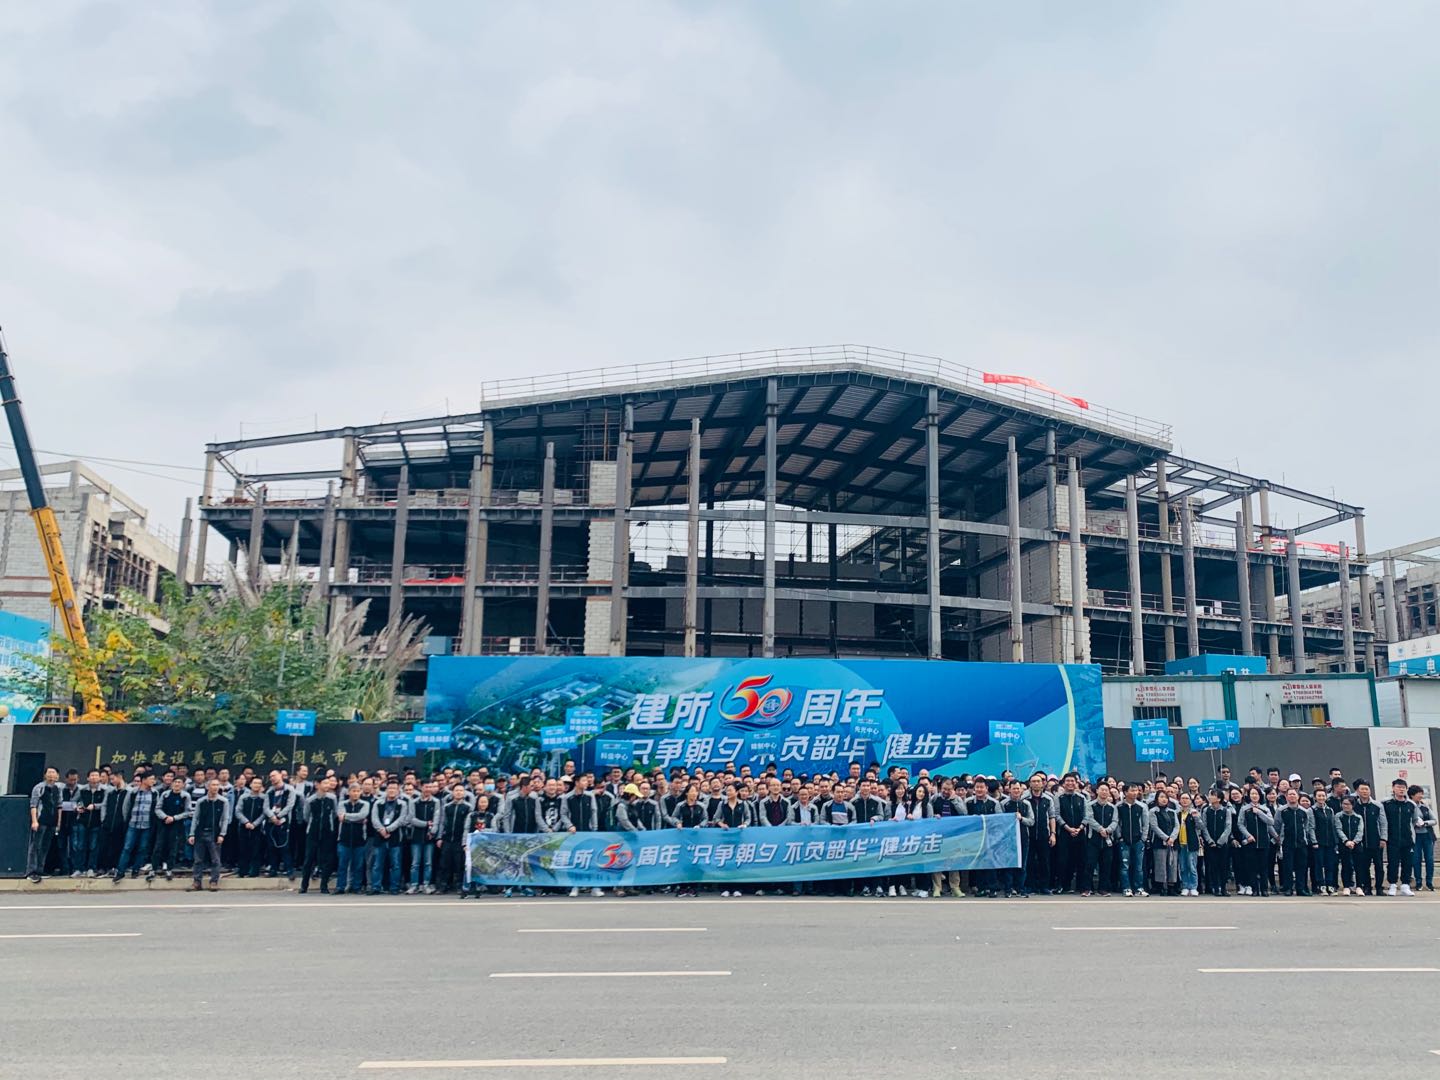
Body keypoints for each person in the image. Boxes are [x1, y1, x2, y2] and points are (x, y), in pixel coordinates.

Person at [187, 779, 231, 892]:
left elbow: (225, 819)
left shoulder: (223, 801)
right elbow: (195, 818)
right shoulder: (201, 801)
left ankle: (214, 881)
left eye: (217, 785)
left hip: (215, 833)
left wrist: (222, 834)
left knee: (215, 859)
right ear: (208, 787)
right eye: (213, 785)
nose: (215, 787)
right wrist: (192, 834)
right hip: (200, 832)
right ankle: (197, 882)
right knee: (198, 859)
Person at [113, 773, 158, 883]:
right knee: (127, 848)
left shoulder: (155, 793)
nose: (153, 781)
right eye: (151, 779)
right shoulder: (133, 792)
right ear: (144, 780)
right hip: (133, 824)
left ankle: (136, 870)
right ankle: (120, 872)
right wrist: (127, 820)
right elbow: (126, 806)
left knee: (142, 848)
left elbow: (156, 808)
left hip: (147, 825)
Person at [299, 777, 340, 895]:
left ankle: (324, 885)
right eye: (325, 783)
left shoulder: (332, 798)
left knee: (327, 859)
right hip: (313, 831)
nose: (327, 785)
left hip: (327, 831)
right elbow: (306, 816)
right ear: (317, 784)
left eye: (328, 783)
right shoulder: (310, 800)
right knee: (309, 859)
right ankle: (304, 885)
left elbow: (334, 813)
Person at [369, 781, 408, 896]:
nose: (392, 790)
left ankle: (394, 887)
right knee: (377, 864)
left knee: (395, 864)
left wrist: (388, 829)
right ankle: (376, 887)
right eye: (390, 788)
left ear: (398, 790)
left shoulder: (402, 804)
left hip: (395, 837)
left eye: (394, 788)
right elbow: (374, 819)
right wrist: (382, 830)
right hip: (379, 837)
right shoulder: (378, 803)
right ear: (386, 790)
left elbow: (401, 820)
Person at [153, 777, 193, 881]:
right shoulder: (165, 794)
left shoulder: (185, 796)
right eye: (175, 782)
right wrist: (165, 817)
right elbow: (158, 808)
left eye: (179, 782)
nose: (177, 784)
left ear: (183, 785)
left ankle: (169, 869)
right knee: (158, 846)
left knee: (173, 847)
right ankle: (154, 869)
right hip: (163, 824)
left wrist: (174, 818)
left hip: (177, 825)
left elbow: (188, 812)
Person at [26, 767, 61, 883]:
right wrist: (34, 821)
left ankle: (40, 869)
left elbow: (59, 806)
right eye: (49, 772)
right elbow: (33, 805)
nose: (51, 775)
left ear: (57, 776)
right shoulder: (39, 787)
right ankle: (31, 871)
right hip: (41, 820)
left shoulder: (57, 789)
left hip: (52, 821)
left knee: (45, 846)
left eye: (53, 773)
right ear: (45, 775)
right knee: (35, 846)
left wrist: (58, 823)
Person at [1382, 779, 1417, 896]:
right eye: (1398, 787)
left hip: (1407, 838)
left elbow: (1415, 820)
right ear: (1393, 788)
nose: (1401, 789)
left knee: (1407, 863)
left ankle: (1405, 885)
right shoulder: (1386, 803)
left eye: (1403, 787)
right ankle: (1392, 884)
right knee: (1393, 862)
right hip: (1392, 838)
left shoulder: (1411, 804)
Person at [336, 783, 371, 895]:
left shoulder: (365, 804)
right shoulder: (342, 804)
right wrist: (357, 819)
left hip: (359, 838)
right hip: (344, 838)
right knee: (342, 865)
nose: (355, 793)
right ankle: (340, 887)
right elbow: (340, 816)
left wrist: (346, 817)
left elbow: (362, 815)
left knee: (358, 865)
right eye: (353, 791)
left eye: (357, 791)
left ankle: (357, 887)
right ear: (349, 792)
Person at [1352, 782, 1387, 897]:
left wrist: (1383, 838)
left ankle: (1379, 888)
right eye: (1362, 789)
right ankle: (1367, 887)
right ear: (1357, 791)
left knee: (1379, 866)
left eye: (1366, 789)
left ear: (1370, 791)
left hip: (1376, 840)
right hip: (1361, 841)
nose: (1364, 791)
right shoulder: (1354, 806)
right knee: (1364, 866)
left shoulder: (1377, 805)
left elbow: (1383, 823)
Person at [1084, 783, 1118, 896]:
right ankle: (1087, 888)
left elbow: (1115, 821)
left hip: (1108, 839)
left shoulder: (1112, 807)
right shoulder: (1090, 805)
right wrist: (1100, 829)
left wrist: (1108, 830)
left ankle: (1103, 889)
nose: (1104, 792)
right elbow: (1089, 819)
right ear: (1097, 791)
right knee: (1090, 864)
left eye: (1106, 790)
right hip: (1093, 839)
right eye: (1102, 790)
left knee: (1106, 865)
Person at [72, 769, 107, 878]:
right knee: (80, 846)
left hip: (97, 822)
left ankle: (91, 868)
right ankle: (79, 869)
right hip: (83, 821)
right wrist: (77, 808)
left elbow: (105, 804)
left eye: (96, 775)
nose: (94, 777)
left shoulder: (105, 790)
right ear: (87, 778)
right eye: (92, 775)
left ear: (100, 778)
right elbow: (73, 801)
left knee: (93, 846)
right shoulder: (82, 789)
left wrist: (95, 806)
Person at [1117, 783, 1149, 898]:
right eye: (1132, 790)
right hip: (1124, 841)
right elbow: (1117, 823)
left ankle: (1139, 888)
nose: (1135, 793)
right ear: (1125, 792)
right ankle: (1126, 888)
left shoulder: (1142, 806)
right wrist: (1119, 837)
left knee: (1138, 867)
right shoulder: (1119, 806)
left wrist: (1143, 838)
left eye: (1136, 791)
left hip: (1138, 841)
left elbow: (1146, 824)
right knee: (1124, 866)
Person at [1200, 790, 1233, 897]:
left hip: (1223, 844)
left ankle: (1223, 888)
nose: (1210, 797)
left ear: (1219, 798)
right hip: (1210, 844)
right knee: (1212, 866)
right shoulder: (1206, 810)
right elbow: (1204, 827)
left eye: (1213, 795)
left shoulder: (1226, 811)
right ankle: (1215, 888)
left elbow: (1228, 827)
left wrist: (1220, 841)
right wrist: (1209, 840)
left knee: (1223, 866)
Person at [234, 777, 268, 878]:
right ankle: (242, 871)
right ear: (250, 784)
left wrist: (255, 824)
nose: (257, 785)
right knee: (243, 849)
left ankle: (254, 872)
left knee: (256, 850)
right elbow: (238, 811)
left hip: (257, 828)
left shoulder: (264, 798)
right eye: (255, 783)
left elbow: (264, 813)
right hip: (244, 826)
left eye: (259, 783)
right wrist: (246, 822)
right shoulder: (244, 797)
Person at [1148, 790, 1180, 896]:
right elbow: (1154, 827)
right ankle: (1162, 887)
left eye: (1166, 797)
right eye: (1161, 797)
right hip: (1159, 842)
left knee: (1172, 865)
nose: (1164, 799)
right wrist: (1166, 838)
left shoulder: (1172, 812)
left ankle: (1171, 887)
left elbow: (1177, 826)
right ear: (1157, 799)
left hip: (1173, 842)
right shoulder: (1153, 811)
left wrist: (1172, 838)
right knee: (1160, 864)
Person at [1336, 796, 1364, 895]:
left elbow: (1360, 831)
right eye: (1344, 804)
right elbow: (1339, 829)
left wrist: (1354, 842)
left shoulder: (1358, 817)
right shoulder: (1338, 816)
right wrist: (1346, 841)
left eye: (1348, 804)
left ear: (1353, 805)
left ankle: (1359, 886)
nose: (1345, 806)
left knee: (1359, 866)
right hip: (1344, 844)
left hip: (1356, 844)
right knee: (1346, 865)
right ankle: (1346, 886)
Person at [1176, 793, 1201, 897]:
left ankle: (1194, 887)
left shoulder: (1194, 812)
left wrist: (1196, 818)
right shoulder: (1177, 813)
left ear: (1190, 801)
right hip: (1180, 843)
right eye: (1183, 798)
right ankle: (1185, 886)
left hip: (1191, 843)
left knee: (1192, 866)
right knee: (1183, 867)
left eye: (1187, 798)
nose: (1185, 800)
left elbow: (1200, 827)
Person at [1411, 786, 1436, 892]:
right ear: (1412, 795)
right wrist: (1414, 824)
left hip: (1427, 836)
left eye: (1422, 793)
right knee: (1416, 859)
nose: (1421, 796)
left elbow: (1434, 820)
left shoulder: (1425, 807)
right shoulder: (1409, 806)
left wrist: (1425, 823)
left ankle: (1429, 882)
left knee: (1429, 859)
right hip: (1415, 836)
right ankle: (1418, 882)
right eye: (1418, 793)